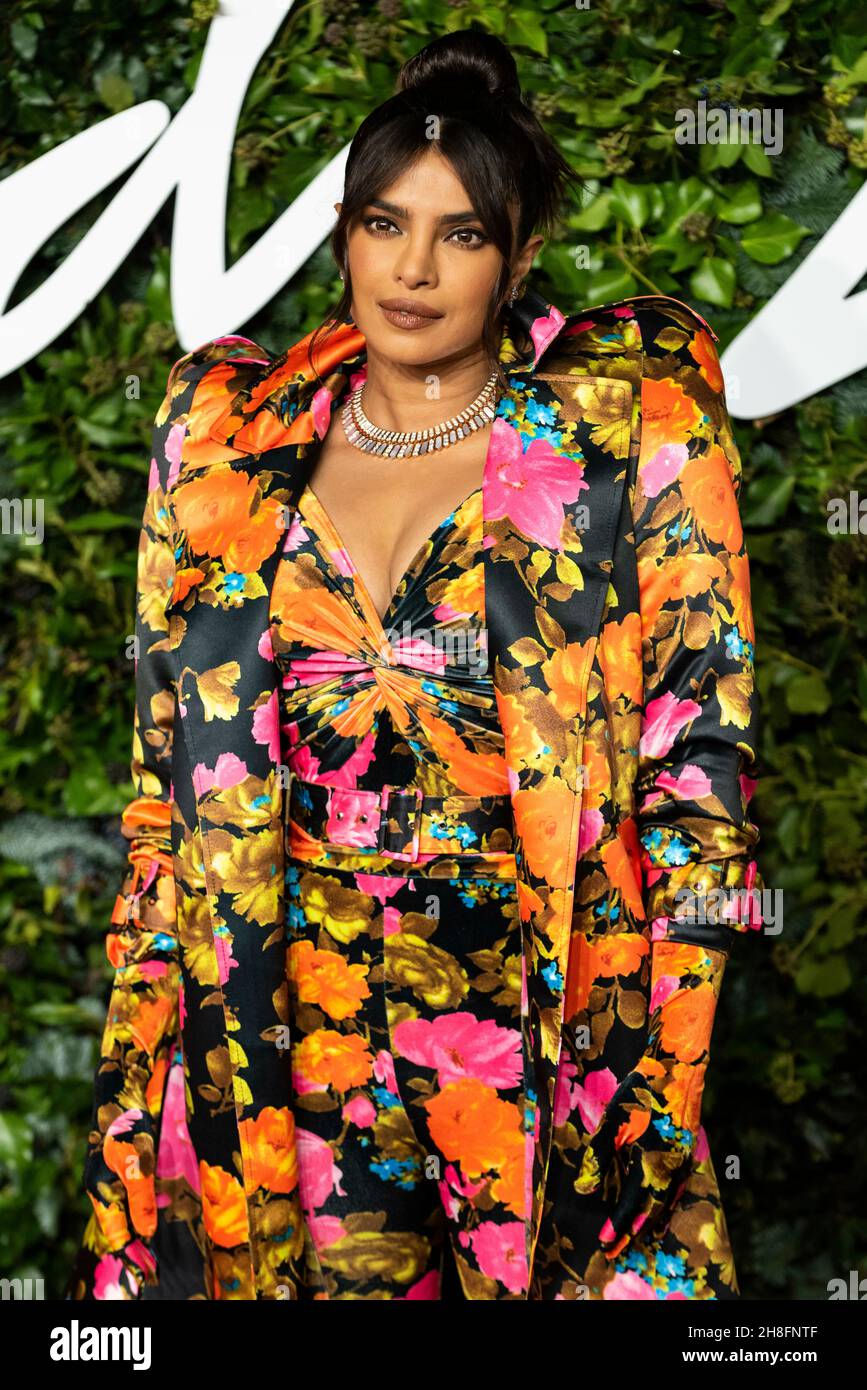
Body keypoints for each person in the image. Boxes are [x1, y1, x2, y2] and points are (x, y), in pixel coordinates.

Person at [67, 29, 763, 1301]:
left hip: (537, 1008)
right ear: (345, 233)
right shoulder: (227, 441)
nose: (414, 269)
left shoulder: (625, 438)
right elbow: (165, 776)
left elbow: (700, 763)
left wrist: (662, 1070)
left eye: (462, 235)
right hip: (283, 1005)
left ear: (520, 255)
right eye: (386, 224)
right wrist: (153, 1039)